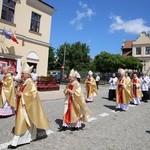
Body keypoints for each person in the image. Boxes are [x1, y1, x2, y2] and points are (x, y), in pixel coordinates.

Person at [8, 63, 50, 149]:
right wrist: (18, 89)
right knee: (29, 121)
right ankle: (32, 136)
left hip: (25, 105)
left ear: (28, 74)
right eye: (22, 73)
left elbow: (33, 94)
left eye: (23, 73)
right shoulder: (25, 82)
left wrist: (22, 95)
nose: (22, 74)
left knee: (22, 122)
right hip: (23, 105)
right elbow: (19, 90)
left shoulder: (30, 82)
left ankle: (15, 142)